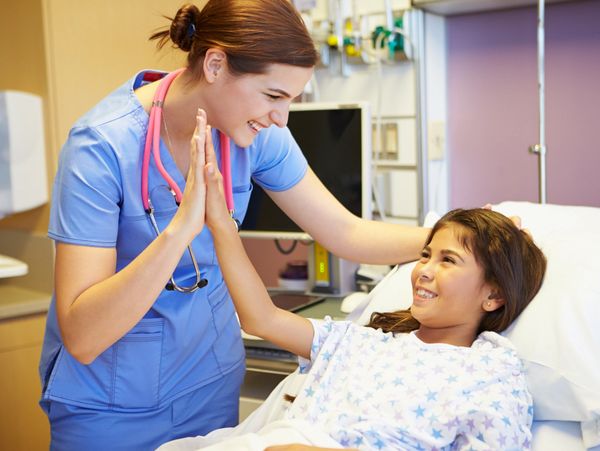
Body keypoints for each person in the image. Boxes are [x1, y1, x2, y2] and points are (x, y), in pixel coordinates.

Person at [38, 1, 430, 449]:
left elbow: (345, 232)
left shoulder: (258, 136)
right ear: (216, 64)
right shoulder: (101, 147)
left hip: (208, 384)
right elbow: (84, 336)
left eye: (291, 99)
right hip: (109, 405)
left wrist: (454, 235)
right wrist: (181, 229)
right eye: (273, 96)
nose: (282, 118)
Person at [193, 138, 547, 450]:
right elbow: (262, 319)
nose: (423, 270)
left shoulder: (490, 373)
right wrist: (221, 224)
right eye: (425, 255)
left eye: (448, 260)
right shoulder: (364, 343)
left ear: (494, 295)